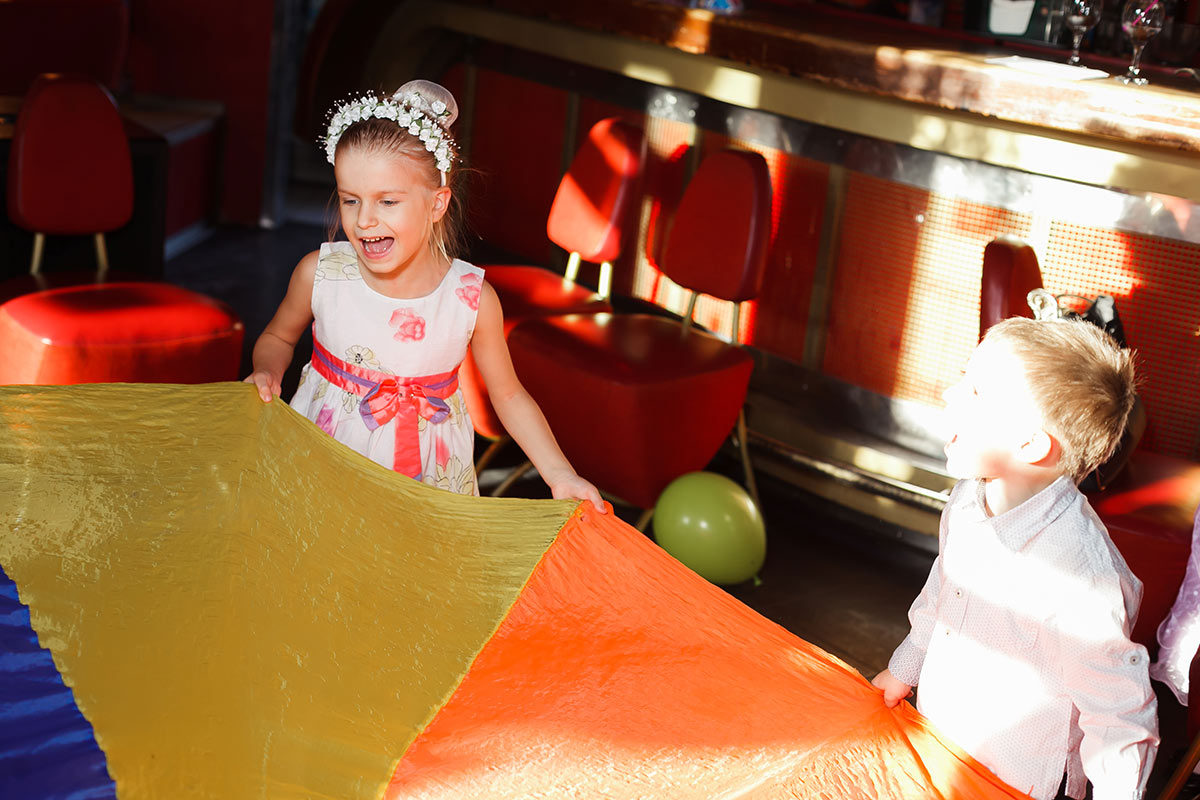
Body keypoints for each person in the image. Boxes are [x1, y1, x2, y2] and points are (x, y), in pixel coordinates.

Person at [245, 80, 603, 510]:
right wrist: (267, 371)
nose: (364, 220)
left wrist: (560, 474)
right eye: (351, 200)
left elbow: (508, 395)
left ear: (437, 204)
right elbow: (278, 337)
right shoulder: (320, 274)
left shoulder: (471, 298)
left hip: (429, 479)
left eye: (387, 202)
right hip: (323, 458)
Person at [872, 317, 1158, 800]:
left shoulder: (1078, 576)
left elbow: (1117, 712)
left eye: (975, 392)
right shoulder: (968, 499)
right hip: (945, 741)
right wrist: (906, 668)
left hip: (1020, 778)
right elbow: (944, 590)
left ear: (1031, 444)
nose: (948, 394)